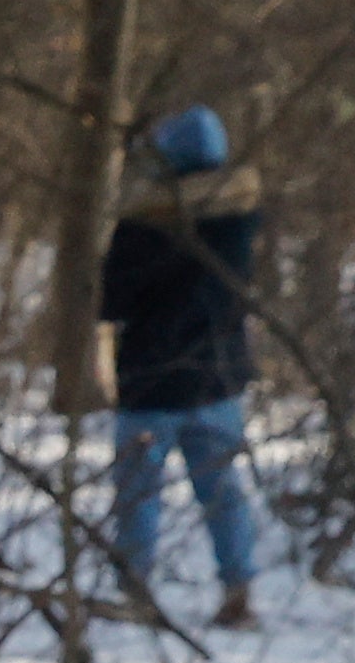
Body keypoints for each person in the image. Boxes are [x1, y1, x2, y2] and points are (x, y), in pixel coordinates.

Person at [99, 104, 266, 628]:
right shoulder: (240, 220)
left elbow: (111, 299)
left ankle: (136, 591)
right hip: (219, 381)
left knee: (138, 493)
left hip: (151, 382)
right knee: (223, 493)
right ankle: (239, 592)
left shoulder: (144, 225)